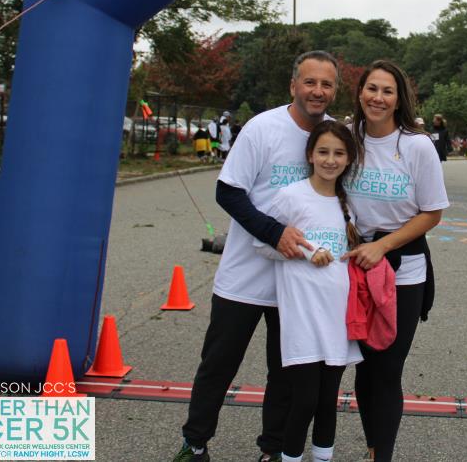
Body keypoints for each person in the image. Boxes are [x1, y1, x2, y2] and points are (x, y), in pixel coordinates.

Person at [172, 51, 340, 462]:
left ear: (335, 90)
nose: (317, 91)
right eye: (310, 82)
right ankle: (195, 443)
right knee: (218, 364)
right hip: (244, 276)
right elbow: (228, 192)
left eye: (327, 84)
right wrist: (274, 232)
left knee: (286, 372)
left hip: (298, 281)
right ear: (293, 85)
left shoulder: (335, 134)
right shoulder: (263, 128)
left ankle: (272, 449)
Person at [345, 60, 449, 462]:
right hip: (356, 268)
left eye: (387, 91)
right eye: (372, 88)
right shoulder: (348, 138)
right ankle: (374, 447)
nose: (378, 97)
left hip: (403, 271)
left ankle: (381, 456)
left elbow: (432, 212)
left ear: (399, 99)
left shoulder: (417, 146)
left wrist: (383, 246)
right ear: (360, 93)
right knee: (364, 368)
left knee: (387, 370)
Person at [254, 121, 364, 462]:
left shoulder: (347, 205)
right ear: (310, 155)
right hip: (302, 318)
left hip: (336, 318)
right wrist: (305, 252)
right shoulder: (291, 196)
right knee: (304, 401)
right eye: (323, 152)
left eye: (339, 153)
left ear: (349, 159)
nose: (330, 160)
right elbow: (262, 244)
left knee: (328, 400)